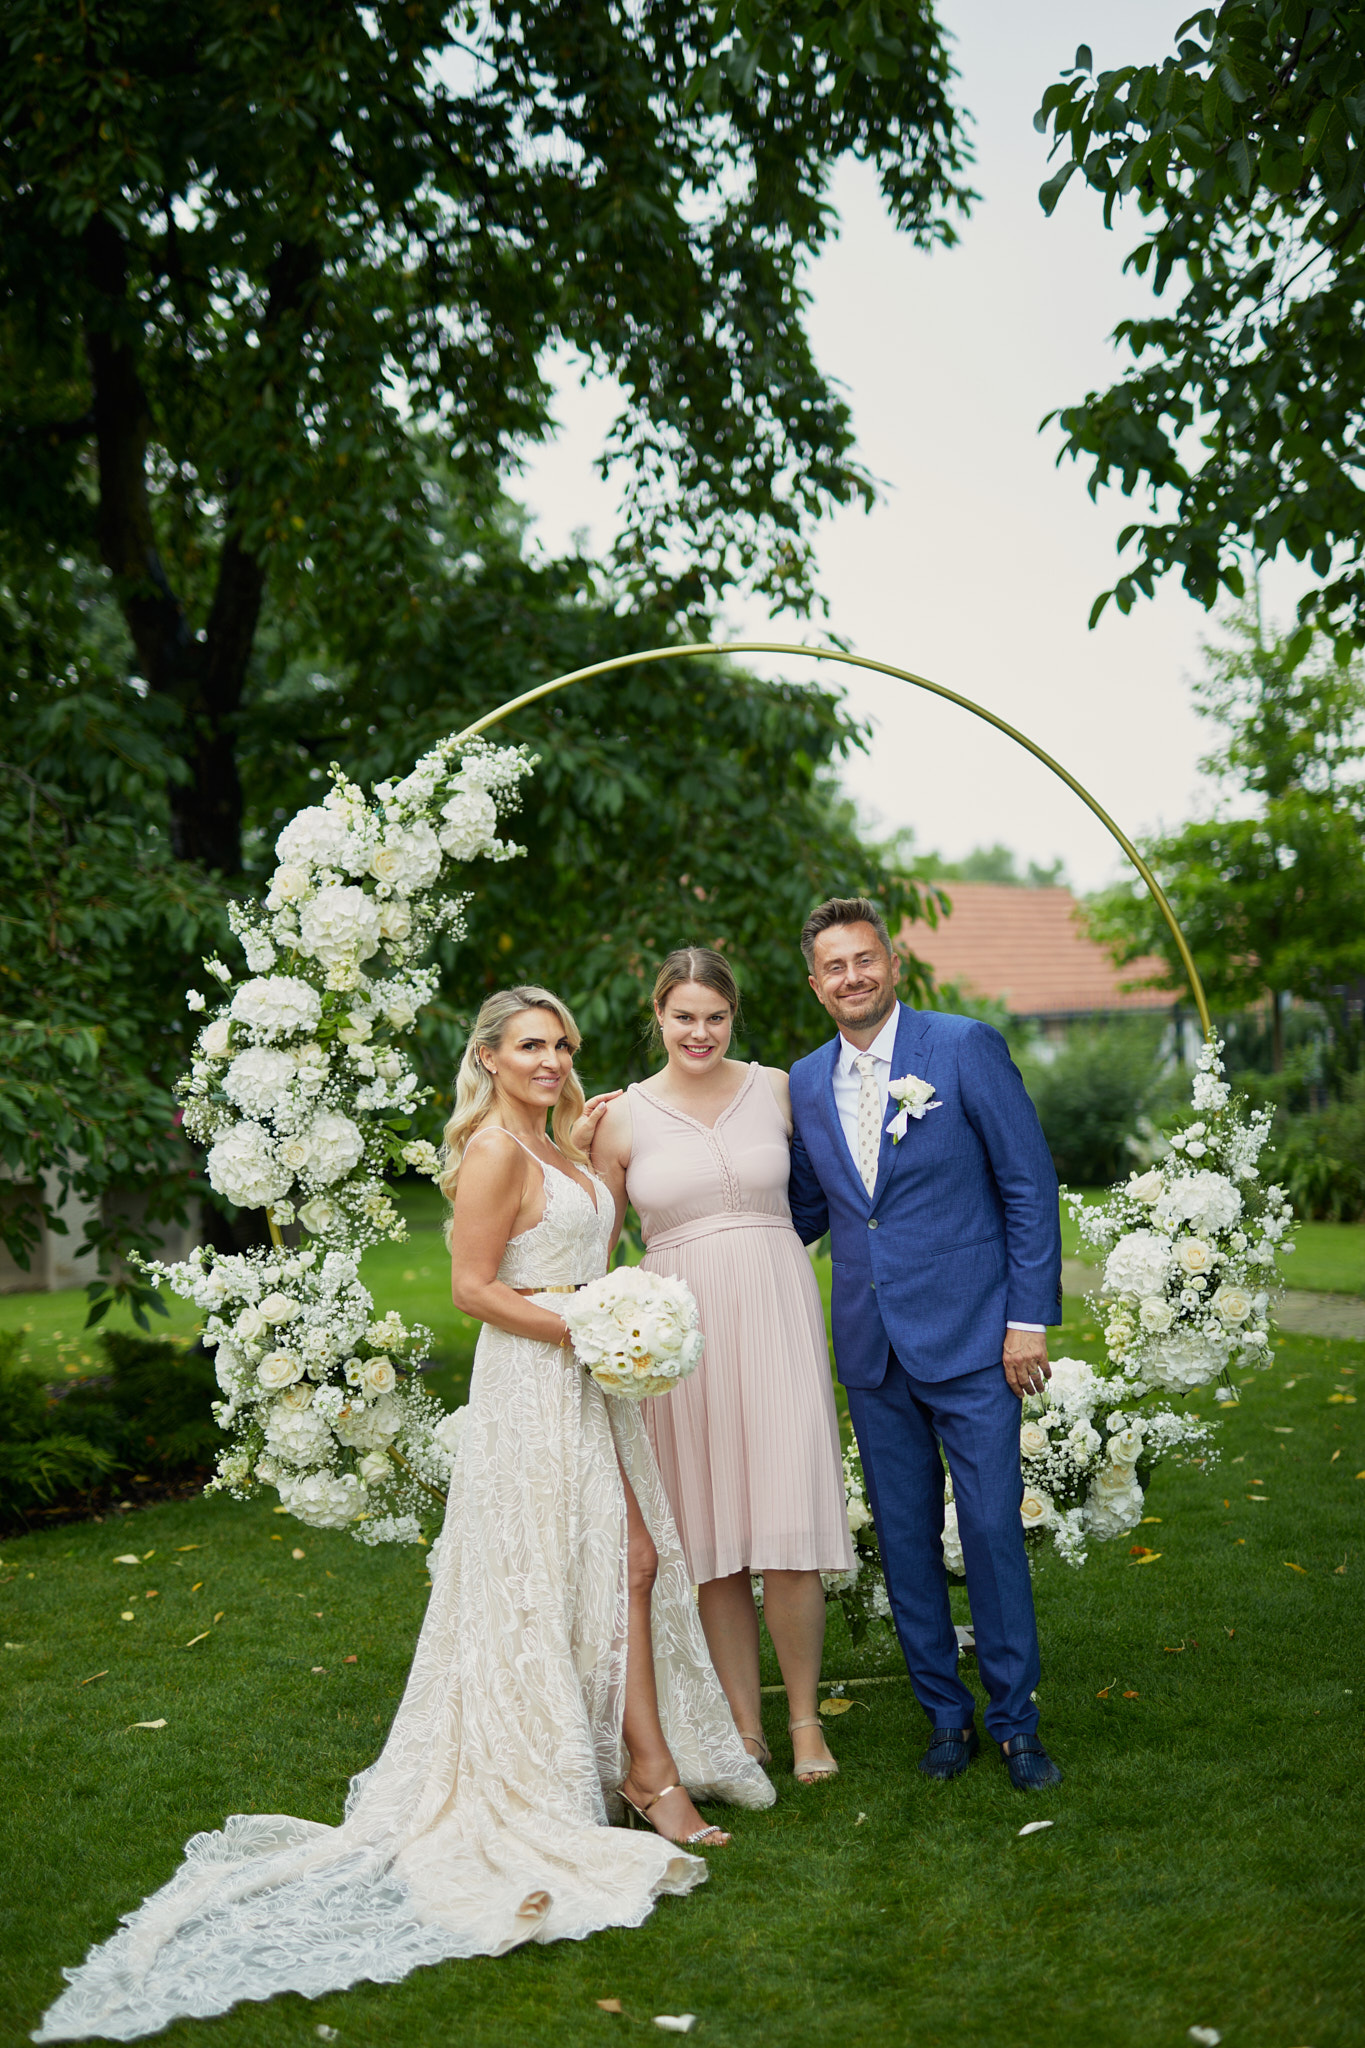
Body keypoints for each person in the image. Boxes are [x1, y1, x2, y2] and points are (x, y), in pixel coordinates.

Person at [35, 986, 770, 2046]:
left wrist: (620, 1318)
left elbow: (593, 1237)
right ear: (488, 1054)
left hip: (589, 1382)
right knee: (613, 1561)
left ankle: (640, 1760)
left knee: (633, 1557)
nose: (551, 1057)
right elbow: (472, 1288)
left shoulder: (563, 1144)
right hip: (536, 1382)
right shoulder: (492, 1155)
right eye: (530, 1043)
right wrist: (588, 1328)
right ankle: (645, 1775)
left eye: (561, 1042)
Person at [787, 900, 1065, 1792]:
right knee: (904, 1541)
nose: (851, 978)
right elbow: (801, 1209)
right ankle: (943, 1718)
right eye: (833, 967)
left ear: (892, 964)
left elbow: (1027, 1183)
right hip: (872, 1349)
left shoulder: (961, 1047)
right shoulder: (801, 1082)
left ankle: (1015, 1722)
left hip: (977, 1339)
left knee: (987, 1531)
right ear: (814, 983)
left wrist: (1028, 1320)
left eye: (864, 960)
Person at [592, 949, 853, 1787]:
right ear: (657, 1018)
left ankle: (805, 1719)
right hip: (681, 1334)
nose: (699, 1033)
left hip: (777, 1309)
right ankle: (745, 1725)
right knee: (710, 1540)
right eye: (683, 1017)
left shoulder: (778, 1089)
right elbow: (594, 1251)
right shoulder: (620, 1119)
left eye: (715, 1017)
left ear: (732, 1017)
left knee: (787, 1529)